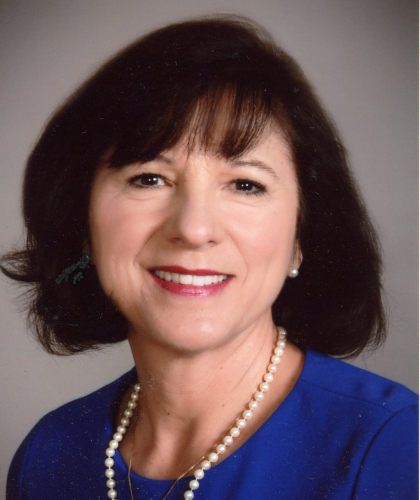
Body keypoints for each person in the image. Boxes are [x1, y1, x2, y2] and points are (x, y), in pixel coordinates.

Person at [3, 15, 417, 500]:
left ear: (302, 236)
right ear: (82, 224)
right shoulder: (48, 456)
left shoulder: (394, 446)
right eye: (149, 179)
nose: (194, 229)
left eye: (245, 184)